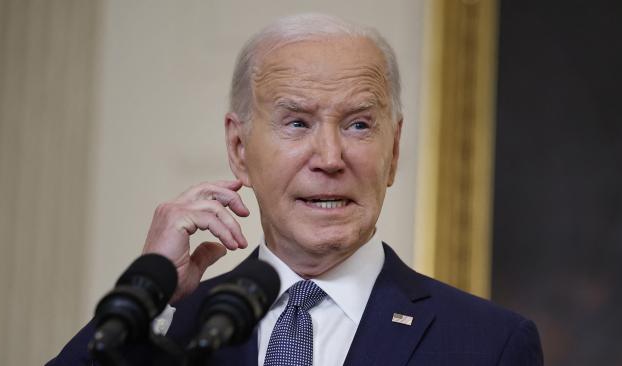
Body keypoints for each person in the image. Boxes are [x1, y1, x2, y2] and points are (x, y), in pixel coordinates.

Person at [48, 13, 543, 366]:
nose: (329, 158)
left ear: (393, 152)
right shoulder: (174, 327)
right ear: (239, 148)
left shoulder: (489, 345)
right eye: (297, 122)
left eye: (358, 125)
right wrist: (148, 296)